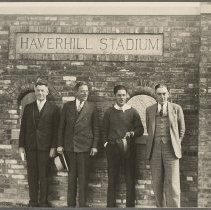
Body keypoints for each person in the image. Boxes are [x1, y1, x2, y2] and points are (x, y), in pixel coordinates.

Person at [57, 81, 99, 207]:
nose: (85, 93)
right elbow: (61, 127)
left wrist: (95, 146)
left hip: (85, 148)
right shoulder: (67, 106)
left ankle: (82, 205)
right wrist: (59, 144)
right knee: (71, 178)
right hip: (70, 148)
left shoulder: (92, 107)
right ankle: (70, 205)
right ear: (76, 92)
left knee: (83, 178)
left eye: (87, 91)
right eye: (82, 91)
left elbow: (96, 128)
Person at [19, 78, 60, 207]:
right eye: (38, 91)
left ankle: (43, 202)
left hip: (46, 148)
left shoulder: (54, 108)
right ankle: (33, 201)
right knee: (32, 176)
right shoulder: (28, 107)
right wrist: (21, 146)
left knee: (44, 175)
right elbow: (23, 128)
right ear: (35, 92)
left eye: (42, 91)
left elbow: (56, 130)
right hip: (30, 147)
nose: (40, 93)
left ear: (47, 92)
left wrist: (53, 146)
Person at [102, 85, 144, 207]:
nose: (121, 97)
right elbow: (103, 130)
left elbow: (140, 129)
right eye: (119, 95)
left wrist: (132, 133)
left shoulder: (133, 111)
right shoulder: (109, 112)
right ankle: (110, 206)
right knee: (112, 180)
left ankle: (130, 206)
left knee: (130, 180)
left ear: (127, 96)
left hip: (129, 150)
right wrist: (106, 145)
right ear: (115, 96)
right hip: (113, 150)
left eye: (123, 95)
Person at [146, 84, 185, 207]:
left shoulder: (176, 108)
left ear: (168, 94)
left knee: (173, 184)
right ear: (155, 95)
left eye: (164, 93)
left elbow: (182, 130)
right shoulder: (150, 110)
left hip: (171, 150)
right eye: (159, 94)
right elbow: (149, 129)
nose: (162, 96)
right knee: (157, 183)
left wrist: (176, 143)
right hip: (155, 150)